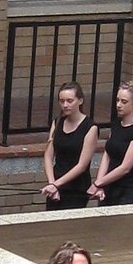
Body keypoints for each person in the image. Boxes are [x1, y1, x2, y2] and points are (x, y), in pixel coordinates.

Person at [41, 81, 99, 212]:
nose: (65, 105)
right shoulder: (57, 122)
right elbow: (48, 155)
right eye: (62, 101)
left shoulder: (90, 127)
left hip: (76, 188)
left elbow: (82, 165)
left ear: (80, 101)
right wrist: (52, 183)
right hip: (55, 183)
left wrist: (56, 184)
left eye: (69, 101)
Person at [89, 81, 133, 207]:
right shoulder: (116, 124)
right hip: (109, 188)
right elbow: (107, 154)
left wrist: (97, 184)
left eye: (124, 102)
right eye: (117, 100)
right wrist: (100, 183)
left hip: (127, 191)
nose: (119, 105)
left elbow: (125, 168)